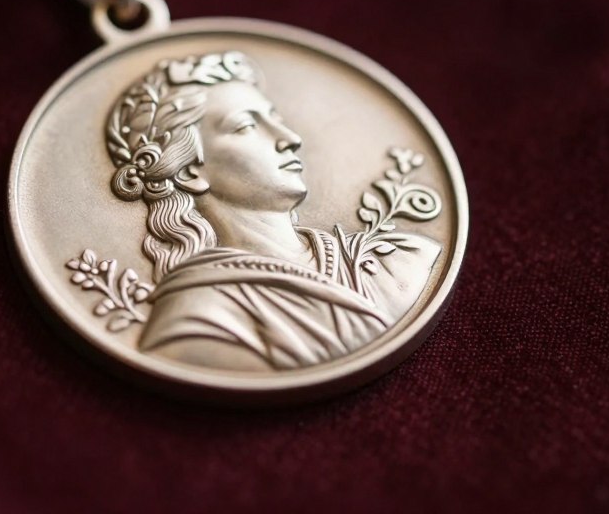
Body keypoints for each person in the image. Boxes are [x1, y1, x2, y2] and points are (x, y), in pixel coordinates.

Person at [105, 51, 441, 371]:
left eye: (276, 119)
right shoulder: (197, 323)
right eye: (246, 126)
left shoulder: (400, 261)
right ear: (189, 171)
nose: (290, 138)